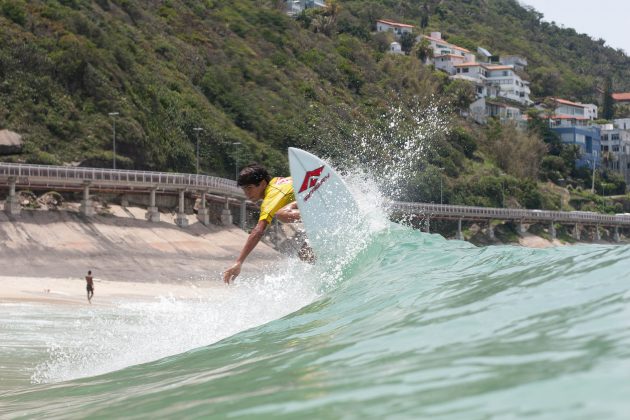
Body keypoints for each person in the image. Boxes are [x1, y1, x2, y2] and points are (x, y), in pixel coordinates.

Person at [223, 164, 302, 284]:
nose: (247, 194)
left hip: (315, 197)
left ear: (263, 183)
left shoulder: (270, 198)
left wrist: (239, 262)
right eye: (244, 189)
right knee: (304, 253)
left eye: (249, 188)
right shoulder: (278, 181)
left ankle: (319, 216)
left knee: (281, 214)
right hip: (313, 193)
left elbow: (258, 231)